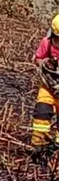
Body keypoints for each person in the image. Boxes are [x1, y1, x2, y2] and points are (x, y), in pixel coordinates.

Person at [30, 15, 59, 163]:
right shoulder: (46, 43)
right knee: (42, 111)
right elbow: (38, 58)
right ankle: (39, 145)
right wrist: (45, 64)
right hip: (49, 87)